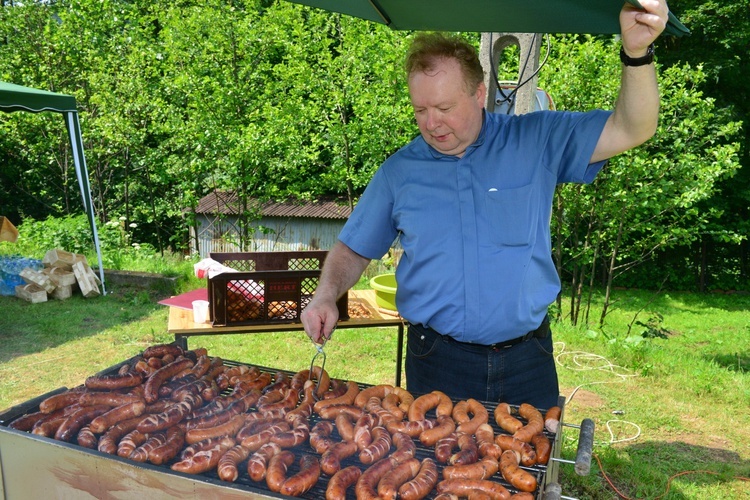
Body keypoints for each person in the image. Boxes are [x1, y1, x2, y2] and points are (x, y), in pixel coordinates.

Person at [302, 0, 668, 409]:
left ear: (479, 94)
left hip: (528, 359)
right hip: (436, 358)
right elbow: (354, 247)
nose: (432, 123)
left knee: (534, 467)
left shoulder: (536, 140)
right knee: (435, 465)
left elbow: (634, 127)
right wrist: (324, 294)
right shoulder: (399, 172)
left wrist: (637, 53)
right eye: (420, 109)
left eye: (444, 107)